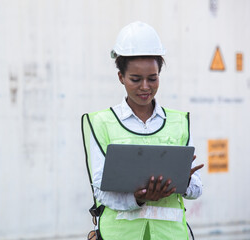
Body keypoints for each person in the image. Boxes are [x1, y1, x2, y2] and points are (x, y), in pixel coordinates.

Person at [81, 21, 204, 240]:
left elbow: (196, 189)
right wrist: (136, 199)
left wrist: (184, 183)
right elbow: (100, 191)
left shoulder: (179, 122)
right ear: (121, 78)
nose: (145, 87)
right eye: (136, 79)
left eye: (153, 78)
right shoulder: (101, 122)